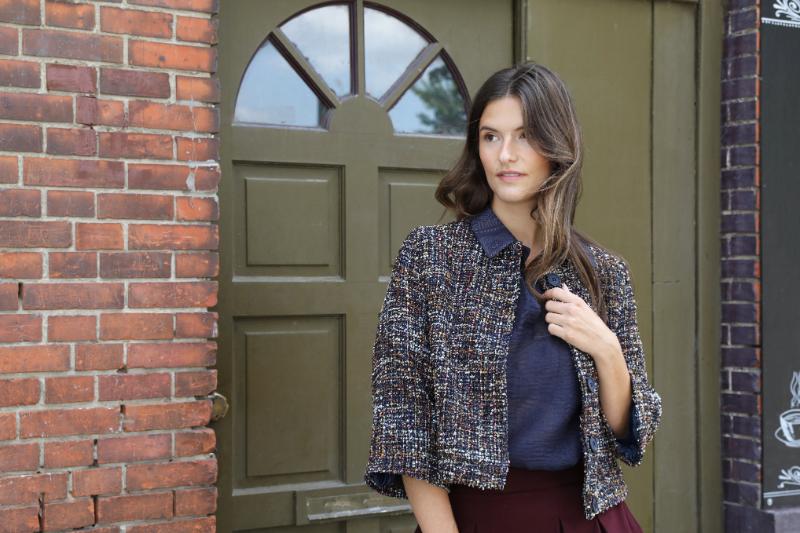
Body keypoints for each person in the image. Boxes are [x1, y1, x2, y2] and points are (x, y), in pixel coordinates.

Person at [364, 61, 663, 533]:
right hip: (475, 517)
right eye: (491, 136)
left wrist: (607, 350)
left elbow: (632, 431)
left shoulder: (604, 272)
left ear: (557, 146)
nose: (506, 154)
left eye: (525, 136)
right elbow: (404, 422)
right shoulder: (430, 257)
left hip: (592, 517)